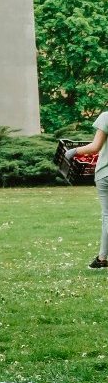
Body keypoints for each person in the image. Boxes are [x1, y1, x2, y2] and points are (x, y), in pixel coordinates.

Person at [64, 109, 108, 270]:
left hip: (106, 174)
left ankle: (102, 258)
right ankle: (102, 258)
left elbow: (95, 147)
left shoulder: (106, 117)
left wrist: (74, 151)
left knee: (107, 215)